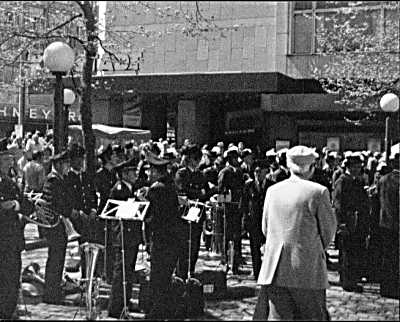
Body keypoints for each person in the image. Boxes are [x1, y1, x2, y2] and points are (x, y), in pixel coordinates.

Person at [254, 145, 336, 321]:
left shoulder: (272, 191)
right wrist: (313, 248)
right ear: (311, 167)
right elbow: (328, 231)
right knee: (313, 316)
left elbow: (265, 228)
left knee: (279, 317)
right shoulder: (318, 192)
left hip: (275, 268)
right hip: (307, 269)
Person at [143, 150, 184, 320]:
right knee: (166, 277)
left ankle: (156, 313)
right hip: (173, 240)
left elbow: (150, 218)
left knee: (157, 278)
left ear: (155, 171)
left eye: (150, 171)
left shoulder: (155, 189)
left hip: (160, 240)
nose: (148, 174)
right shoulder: (171, 187)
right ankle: (166, 310)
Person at [0, 140, 34, 319]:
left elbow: (25, 203)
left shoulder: (11, 181)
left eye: (11, 159)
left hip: (12, 238)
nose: (10, 163)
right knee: (5, 277)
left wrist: (18, 205)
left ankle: (9, 310)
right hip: (3, 237)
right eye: (6, 159)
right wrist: (12, 206)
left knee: (12, 276)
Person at [108, 158, 144, 318]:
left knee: (129, 271)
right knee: (121, 271)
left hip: (132, 235)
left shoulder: (131, 188)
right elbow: (115, 212)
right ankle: (116, 306)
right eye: (132, 172)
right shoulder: (119, 189)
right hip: (123, 234)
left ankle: (126, 301)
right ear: (124, 174)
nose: (135, 174)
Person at [332, 154, 370, 293]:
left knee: (355, 252)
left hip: (358, 221)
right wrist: (341, 223)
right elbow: (338, 204)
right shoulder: (342, 181)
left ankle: (351, 278)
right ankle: (347, 281)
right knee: (347, 252)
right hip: (348, 220)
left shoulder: (357, 181)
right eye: (355, 167)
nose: (358, 169)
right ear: (349, 167)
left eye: (359, 167)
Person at [40, 150, 73, 304]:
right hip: (54, 226)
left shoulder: (59, 179)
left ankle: (54, 291)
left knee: (59, 259)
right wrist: (68, 212)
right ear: (59, 164)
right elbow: (54, 204)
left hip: (59, 225)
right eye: (66, 163)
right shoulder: (53, 180)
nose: (68, 167)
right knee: (55, 260)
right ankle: (51, 294)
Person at [175, 144, 209, 280]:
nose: (197, 161)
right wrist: (198, 193)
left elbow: (206, 192)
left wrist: (201, 193)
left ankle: (191, 272)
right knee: (183, 246)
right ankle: (181, 275)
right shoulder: (182, 173)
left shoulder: (200, 175)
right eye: (195, 159)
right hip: (184, 214)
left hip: (197, 214)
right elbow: (182, 191)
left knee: (195, 245)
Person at [64, 144, 98, 279]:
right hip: (76, 219)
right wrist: (78, 212)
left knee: (90, 248)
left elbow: (93, 195)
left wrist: (94, 210)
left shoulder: (87, 176)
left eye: (81, 159)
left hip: (89, 217)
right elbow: (68, 199)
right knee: (79, 249)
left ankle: (89, 275)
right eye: (77, 159)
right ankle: (83, 278)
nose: (80, 162)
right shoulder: (68, 178)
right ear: (71, 161)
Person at [218, 145, 245, 274]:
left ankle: (236, 261)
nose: (236, 160)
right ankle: (226, 260)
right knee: (227, 235)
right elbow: (221, 190)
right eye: (233, 158)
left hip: (238, 206)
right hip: (228, 208)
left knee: (237, 235)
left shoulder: (239, 172)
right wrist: (225, 201)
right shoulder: (224, 172)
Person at [376, 152, 399, 299]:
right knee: (395, 257)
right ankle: (394, 286)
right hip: (396, 223)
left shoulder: (383, 179)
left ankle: (385, 287)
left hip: (384, 222)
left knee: (386, 256)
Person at [241, 164, 268, 280]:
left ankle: (267, 271)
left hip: (267, 221)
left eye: (259, 171)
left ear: (265, 172)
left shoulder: (271, 185)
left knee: (268, 247)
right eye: (255, 172)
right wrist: (245, 220)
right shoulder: (249, 185)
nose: (257, 174)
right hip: (254, 221)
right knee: (254, 247)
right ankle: (257, 272)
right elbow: (244, 204)